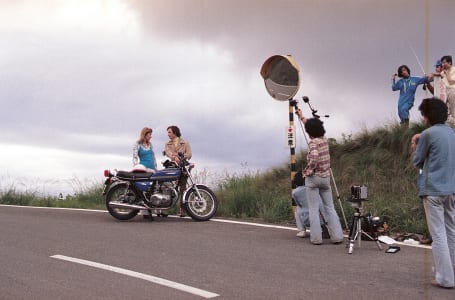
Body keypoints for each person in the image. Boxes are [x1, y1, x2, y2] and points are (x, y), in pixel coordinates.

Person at [411, 97, 455, 289]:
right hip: (450, 189)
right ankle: (451, 271)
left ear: (427, 116)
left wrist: (415, 144)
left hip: (433, 190)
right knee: (451, 231)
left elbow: (418, 161)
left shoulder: (427, 134)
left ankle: (445, 278)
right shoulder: (452, 133)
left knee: (438, 235)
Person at [296, 109, 344, 245]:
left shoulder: (313, 143)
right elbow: (311, 126)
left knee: (313, 208)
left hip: (313, 178)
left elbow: (314, 157)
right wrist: (302, 116)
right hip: (325, 178)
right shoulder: (324, 140)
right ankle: (337, 237)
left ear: (309, 132)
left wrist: (308, 171)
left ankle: (316, 238)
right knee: (330, 207)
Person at [164, 125, 192, 216]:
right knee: (168, 186)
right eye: (168, 132)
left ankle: (182, 210)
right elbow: (168, 153)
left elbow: (189, 154)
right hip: (172, 167)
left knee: (183, 188)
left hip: (182, 167)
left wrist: (181, 156)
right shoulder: (167, 144)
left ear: (175, 132)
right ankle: (164, 208)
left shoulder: (185, 143)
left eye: (169, 132)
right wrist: (174, 157)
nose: (168, 134)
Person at [292, 170, 328, 238]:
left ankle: (302, 230)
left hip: (307, 219)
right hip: (323, 219)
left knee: (298, 209)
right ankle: (324, 228)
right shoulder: (314, 188)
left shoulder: (295, 192)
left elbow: (298, 204)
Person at [440, 55, 455, 124]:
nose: (442, 64)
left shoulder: (454, 70)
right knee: (446, 111)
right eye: (442, 63)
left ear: (450, 63)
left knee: (453, 110)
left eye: (444, 62)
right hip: (445, 92)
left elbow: (451, 82)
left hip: (453, 90)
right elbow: (439, 75)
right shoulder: (442, 73)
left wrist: (447, 73)